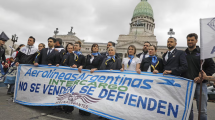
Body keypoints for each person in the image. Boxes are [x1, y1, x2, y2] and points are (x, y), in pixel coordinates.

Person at [181, 33, 215, 120]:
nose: (190, 42)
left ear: (196, 41)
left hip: (200, 84)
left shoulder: (203, 53)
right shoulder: (183, 54)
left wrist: (204, 76)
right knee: (188, 109)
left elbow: (212, 66)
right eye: (188, 40)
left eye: (192, 40)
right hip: (187, 85)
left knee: (202, 110)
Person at [78, 43, 104, 116]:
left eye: (96, 47)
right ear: (91, 48)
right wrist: (82, 66)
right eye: (94, 47)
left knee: (90, 94)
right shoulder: (88, 56)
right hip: (86, 76)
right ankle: (81, 109)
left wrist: (96, 68)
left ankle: (88, 110)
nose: (95, 48)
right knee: (83, 92)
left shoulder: (100, 57)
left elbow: (101, 66)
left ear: (98, 49)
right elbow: (86, 64)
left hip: (94, 77)